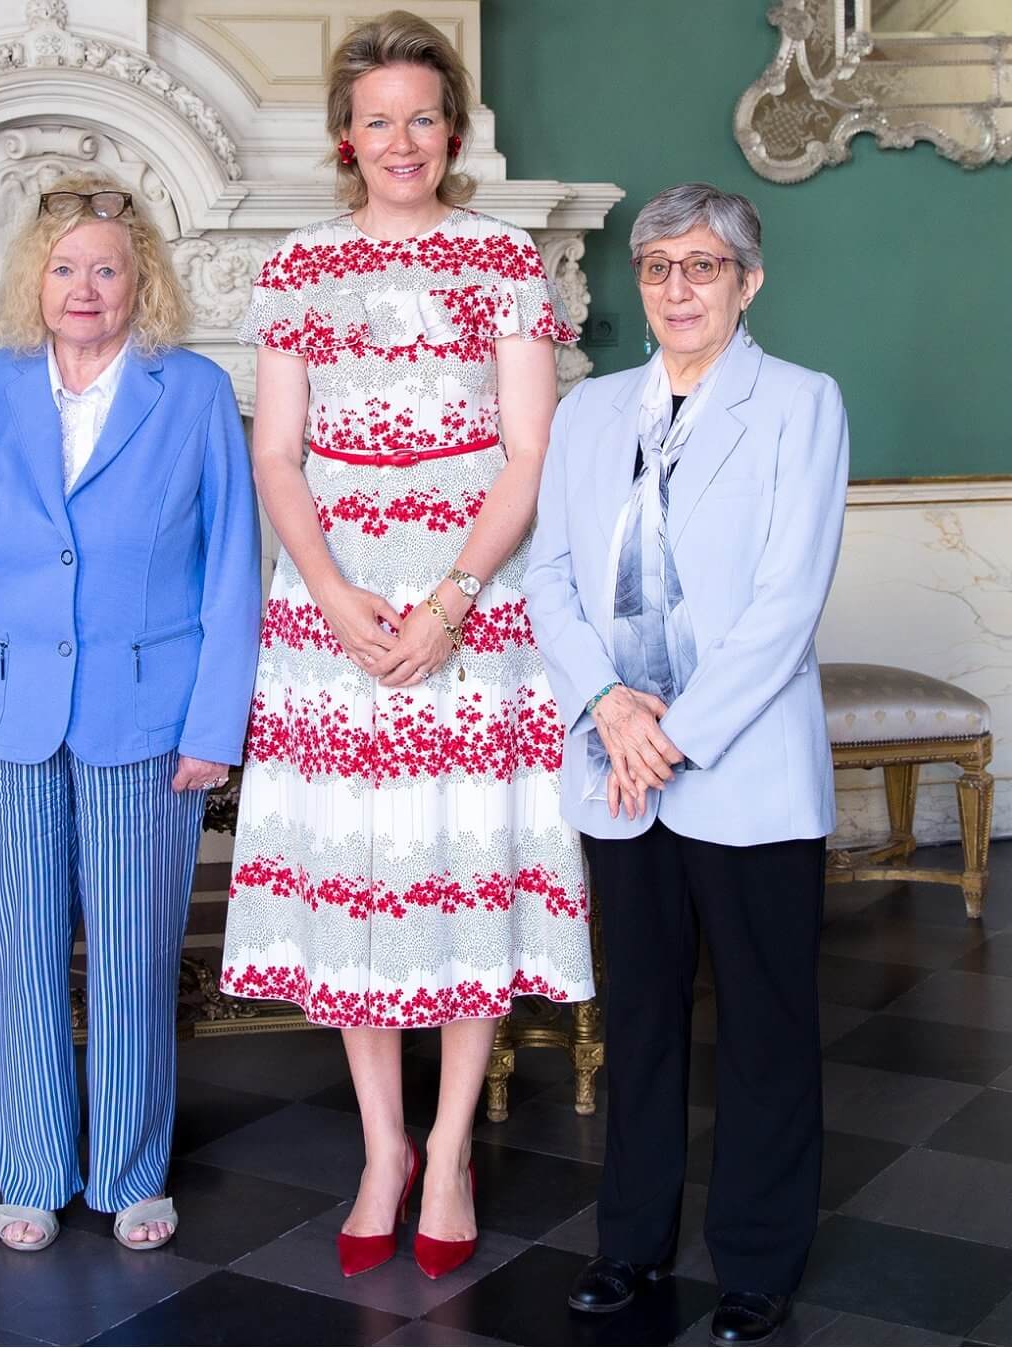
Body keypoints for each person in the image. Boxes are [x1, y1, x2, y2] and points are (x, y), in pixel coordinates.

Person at [217, 11, 594, 1282]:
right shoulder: (298, 266)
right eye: (377, 120)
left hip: (472, 609)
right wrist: (329, 592)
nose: (400, 140)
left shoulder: (502, 258)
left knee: (463, 862)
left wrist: (449, 601)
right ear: (345, 136)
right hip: (331, 612)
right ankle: (381, 1146)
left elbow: (530, 453)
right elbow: (276, 453)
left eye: (422, 117)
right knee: (361, 876)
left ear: (452, 131)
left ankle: (447, 1150)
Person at [523, 182, 849, 1346]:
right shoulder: (587, 411)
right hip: (616, 763)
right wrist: (609, 706)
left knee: (765, 1027)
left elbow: (785, 603)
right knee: (642, 1019)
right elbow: (547, 577)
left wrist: (670, 736)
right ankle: (630, 1244)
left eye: (702, 266)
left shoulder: (800, 404)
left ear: (746, 282)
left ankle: (757, 1261)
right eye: (658, 266)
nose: (677, 288)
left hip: (740, 766)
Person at [0, 173, 260, 1254]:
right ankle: (30, 1170)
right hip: (5, 713)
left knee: (134, 960)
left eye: (107, 268)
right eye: (65, 267)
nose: (85, 287)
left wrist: (215, 726)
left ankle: (130, 1172)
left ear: (141, 281)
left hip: (147, 717)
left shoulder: (192, 391)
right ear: (36, 278)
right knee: (20, 957)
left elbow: (231, 567)